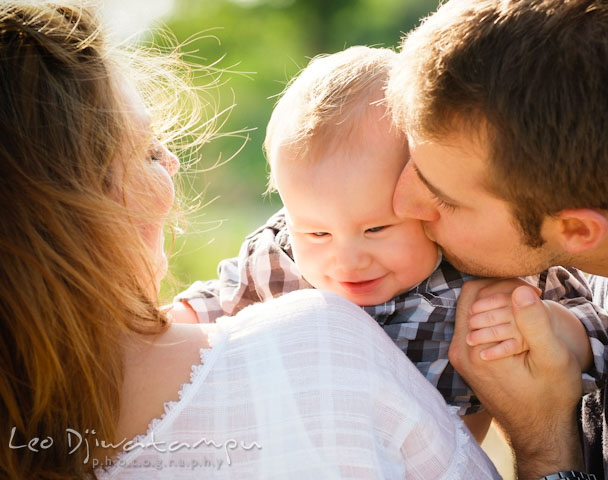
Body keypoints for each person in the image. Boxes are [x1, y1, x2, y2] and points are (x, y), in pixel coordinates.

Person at [0, 3, 504, 478]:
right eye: (149, 153)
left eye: (375, 227)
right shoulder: (319, 337)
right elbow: (226, 290)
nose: (172, 164)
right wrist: (542, 430)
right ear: (81, 209)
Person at [171, 46, 608, 440]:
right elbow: (220, 300)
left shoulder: (485, 268)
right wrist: (174, 318)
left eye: (376, 229)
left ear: (426, 200)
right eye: (317, 233)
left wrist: (547, 323)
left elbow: (598, 333)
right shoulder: (278, 257)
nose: (347, 259)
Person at [386, 0, 608, 478]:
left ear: (577, 230)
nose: (401, 204)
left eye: (445, 199)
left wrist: (543, 441)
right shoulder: (604, 177)